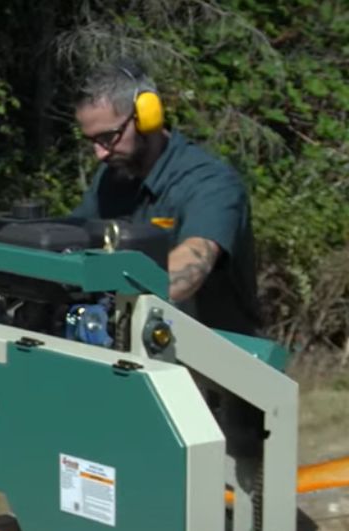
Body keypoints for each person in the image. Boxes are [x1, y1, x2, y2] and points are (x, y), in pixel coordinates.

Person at [71, 59, 260, 335]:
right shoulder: (112, 176)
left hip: (216, 356)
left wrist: (117, 292)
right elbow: (73, 237)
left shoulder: (210, 182)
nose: (100, 153)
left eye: (108, 137)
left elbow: (190, 269)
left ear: (148, 118)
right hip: (137, 346)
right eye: (92, 141)